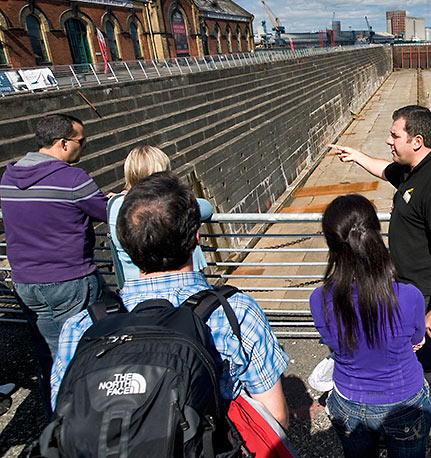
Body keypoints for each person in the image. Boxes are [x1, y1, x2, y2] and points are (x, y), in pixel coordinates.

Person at [50, 172, 290, 432]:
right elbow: (274, 419)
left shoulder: (82, 326)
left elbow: (63, 417)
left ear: (125, 242)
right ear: (196, 237)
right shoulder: (235, 313)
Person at [329, 105, 431, 422]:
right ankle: (417, 399)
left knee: (429, 349)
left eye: (394, 135)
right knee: (413, 347)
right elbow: (384, 170)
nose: (389, 140)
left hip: (427, 289)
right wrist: (356, 155)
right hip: (407, 283)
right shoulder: (410, 169)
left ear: (416, 140)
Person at [0, 113, 107, 411]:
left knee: (48, 353)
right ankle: (81, 422)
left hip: (25, 284)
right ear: (62, 143)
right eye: (81, 141)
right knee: (82, 352)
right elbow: (107, 212)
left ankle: (55, 420)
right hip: (69, 280)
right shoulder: (72, 179)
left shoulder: (9, 176)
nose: (84, 147)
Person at [310, 194, 430, 457]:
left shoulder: (318, 299)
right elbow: (416, 339)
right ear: (376, 234)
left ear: (331, 243)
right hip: (405, 398)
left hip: (349, 401)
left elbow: (332, 341)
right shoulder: (410, 296)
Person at [108, 145, 213, 287]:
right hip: (176, 284)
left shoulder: (114, 204)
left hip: (134, 287)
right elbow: (206, 207)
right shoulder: (167, 206)